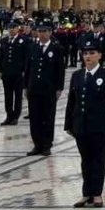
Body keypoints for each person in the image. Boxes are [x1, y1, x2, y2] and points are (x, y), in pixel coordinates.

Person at [64, 39, 105, 208]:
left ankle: (97, 193)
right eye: (85, 53)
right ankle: (86, 193)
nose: (88, 56)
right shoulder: (77, 75)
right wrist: (68, 124)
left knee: (98, 159)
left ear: (99, 55)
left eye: (92, 53)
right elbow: (71, 101)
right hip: (81, 125)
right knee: (85, 159)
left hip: (100, 125)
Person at [26, 20, 66, 156]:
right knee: (35, 117)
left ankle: (46, 144)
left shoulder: (57, 49)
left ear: (50, 32)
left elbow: (60, 70)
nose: (42, 34)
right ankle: (37, 144)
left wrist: (59, 88)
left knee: (48, 117)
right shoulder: (32, 47)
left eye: (44, 31)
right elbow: (28, 68)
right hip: (34, 88)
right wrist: (26, 86)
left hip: (49, 89)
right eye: (40, 31)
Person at [0, 20, 29, 126]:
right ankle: (9, 115)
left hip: (19, 73)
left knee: (18, 95)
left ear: (17, 29)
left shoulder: (24, 40)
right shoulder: (4, 40)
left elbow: (26, 58)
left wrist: (25, 71)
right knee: (8, 95)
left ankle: (16, 116)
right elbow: (1, 56)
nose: (11, 30)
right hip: (6, 72)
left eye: (14, 28)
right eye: (10, 28)